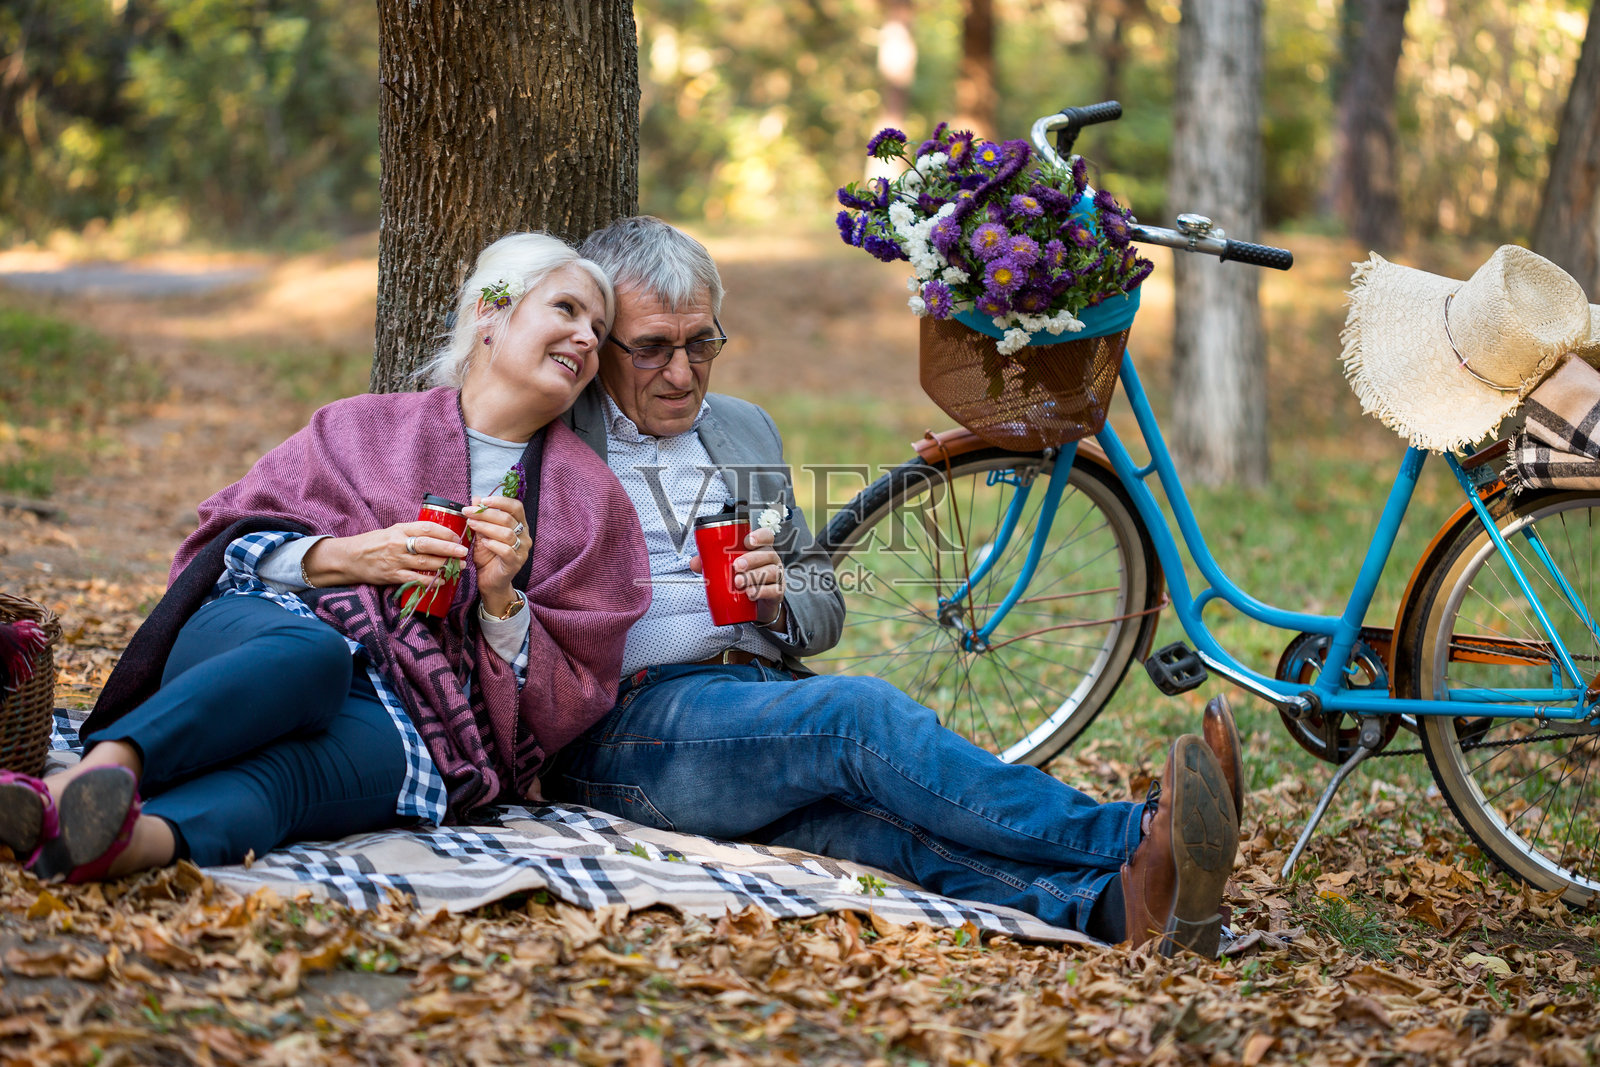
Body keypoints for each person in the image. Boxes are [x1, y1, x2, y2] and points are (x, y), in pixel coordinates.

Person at [545, 215, 1243, 955]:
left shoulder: (742, 429)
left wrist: (777, 601)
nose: (683, 374)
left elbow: (822, 604)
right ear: (601, 340)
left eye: (702, 343)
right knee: (856, 716)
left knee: (867, 826)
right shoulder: (555, 429)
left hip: (749, 706)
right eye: (652, 348)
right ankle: (1136, 831)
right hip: (630, 730)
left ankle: (1121, 905)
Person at [0, 233, 650, 883]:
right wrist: (347, 558)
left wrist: (502, 601)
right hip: (262, 634)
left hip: (419, 716)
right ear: (491, 309)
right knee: (313, 655)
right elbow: (219, 544)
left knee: (287, 781)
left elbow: (576, 690)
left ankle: (109, 841)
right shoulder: (356, 426)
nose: (586, 338)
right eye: (566, 309)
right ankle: (97, 773)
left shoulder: (592, 501)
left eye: (598, 330)